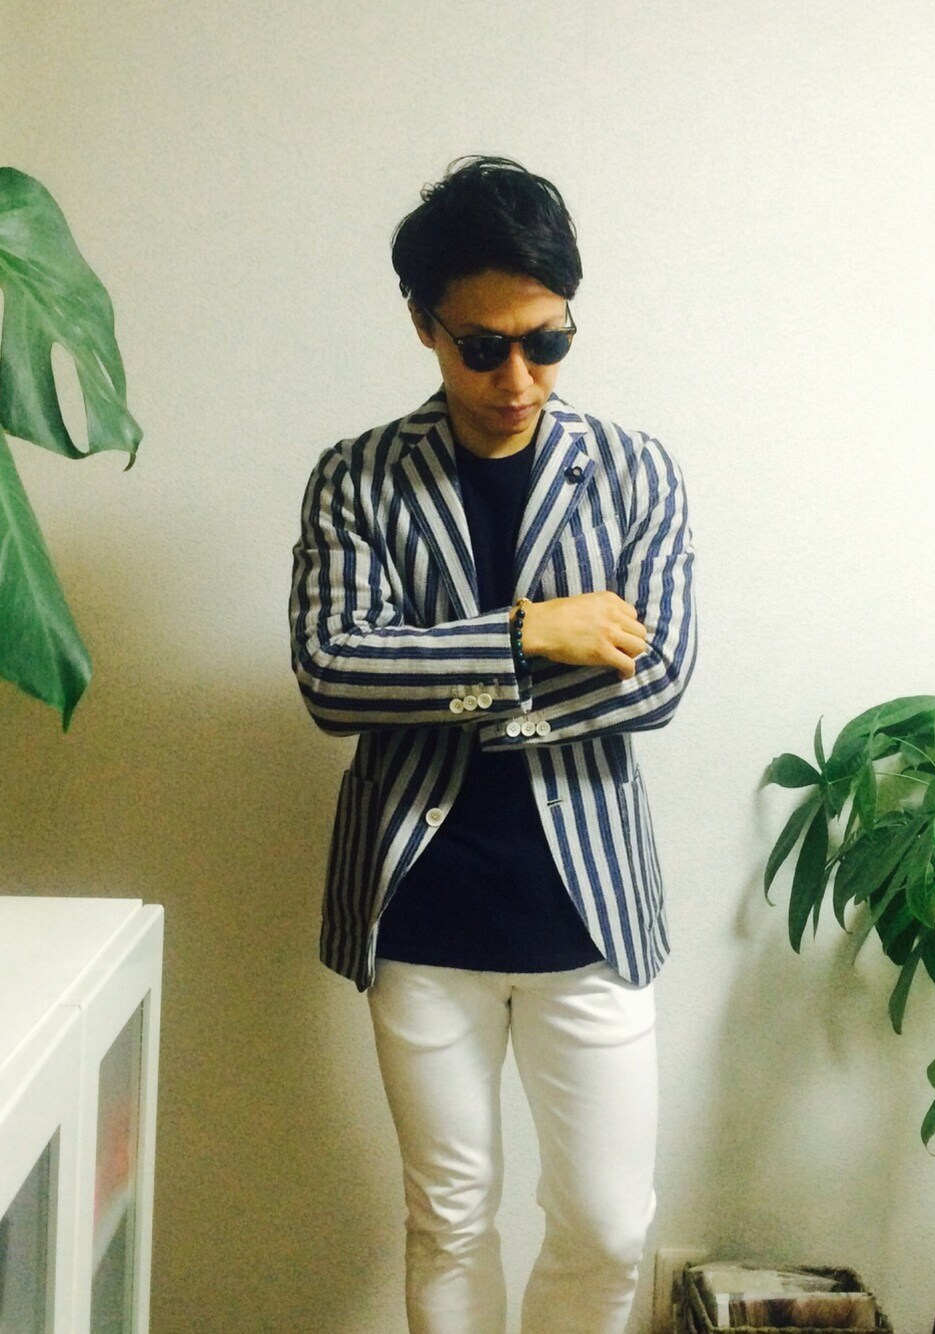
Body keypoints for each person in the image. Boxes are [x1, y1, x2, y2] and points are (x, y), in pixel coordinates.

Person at [289, 156, 696, 1334]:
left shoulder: (634, 472)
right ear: (424, 324)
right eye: (482, 347)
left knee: (608, 1224)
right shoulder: (359, 478)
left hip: (589, 910)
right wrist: (531, 633)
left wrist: (465, 689)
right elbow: (333, 673)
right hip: (421, 912)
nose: (518, 379)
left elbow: (657, 677)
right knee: (451, 1217)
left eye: (547, 340)